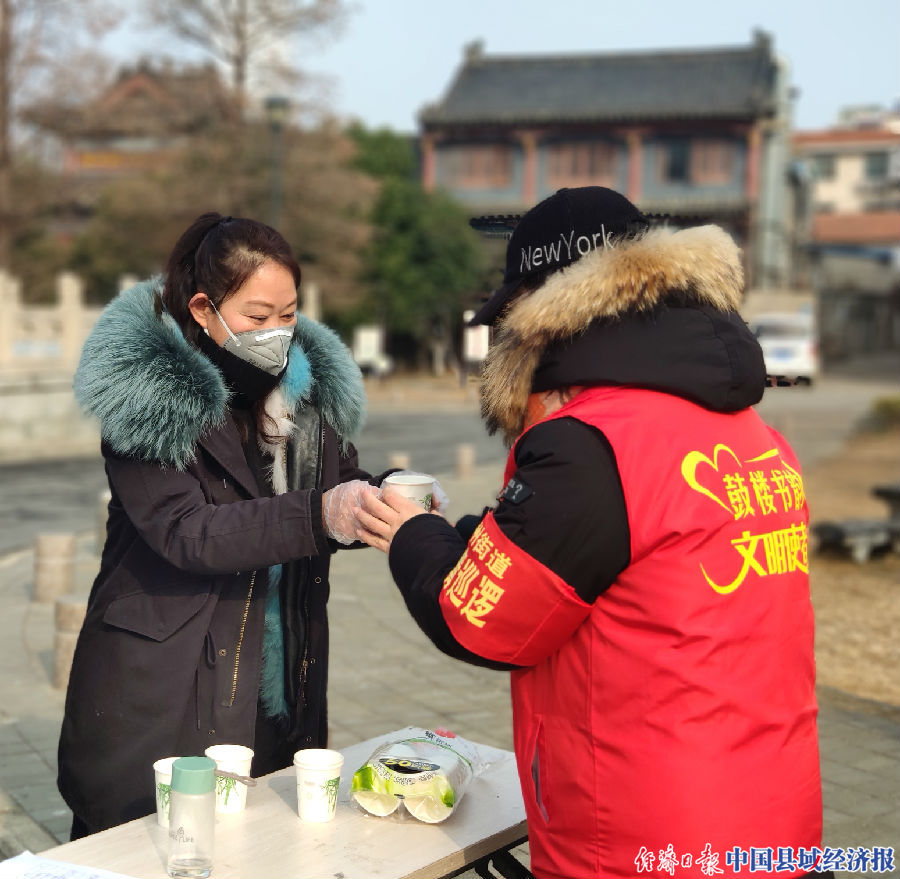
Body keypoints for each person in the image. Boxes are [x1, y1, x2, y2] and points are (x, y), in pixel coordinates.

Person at [356, 187, 828, 879]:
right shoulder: (753, 434)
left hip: (646, 837)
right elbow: (602, 555)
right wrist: (462, 530)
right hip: (774, 814)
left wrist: (410, 535)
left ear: (549, 305)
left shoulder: (592, 443)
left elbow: (482, 621)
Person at [58, 212, 385, 837]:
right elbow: (188, 531)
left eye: (289, 314)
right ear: (204, 309)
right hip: (170, 677)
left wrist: (379, 499)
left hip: (281, 665)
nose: (277, 333)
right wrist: (322, 515)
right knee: (152, 847)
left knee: (263, 841)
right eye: (258, 317)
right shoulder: (148, 396)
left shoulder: (307, 395)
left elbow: (337, 487)